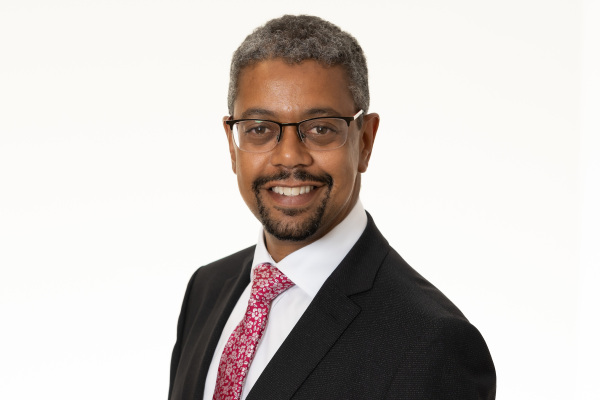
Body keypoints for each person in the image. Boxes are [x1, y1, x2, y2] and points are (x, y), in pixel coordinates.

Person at [168, 15, 496, 400]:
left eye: (321, 128)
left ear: (365, 140)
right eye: (259, 129)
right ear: (231, 143)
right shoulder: (206, 289)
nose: (289, 157)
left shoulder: (431, 345)